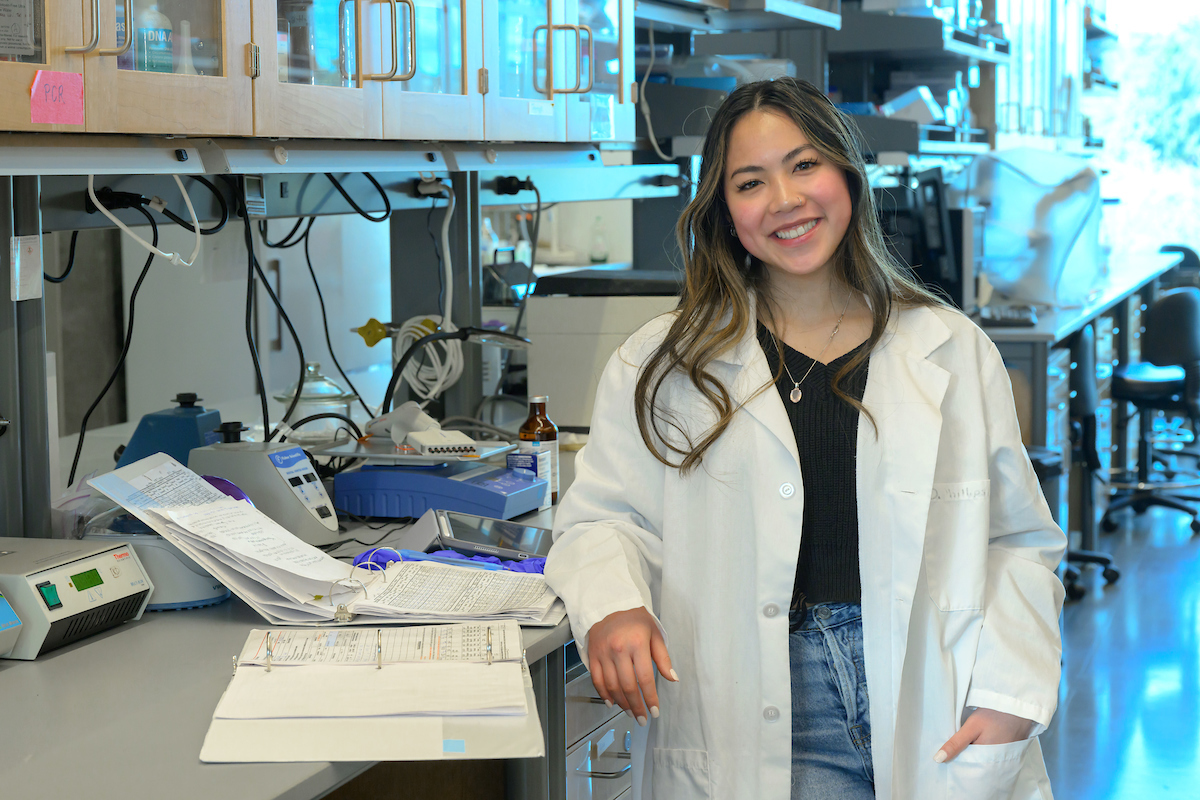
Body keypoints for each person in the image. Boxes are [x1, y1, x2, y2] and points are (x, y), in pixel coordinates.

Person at [543, 77, 1066, 800]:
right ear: (724, 212)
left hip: (932, 695)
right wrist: (613, 605)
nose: (785, 200)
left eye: (804, 165)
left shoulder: (948, 347)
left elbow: (1016, 541)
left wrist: (1010, 692)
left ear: (846, 174)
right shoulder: (665, 363)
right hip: (764, 699)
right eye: (750, 182)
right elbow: (602, 518)